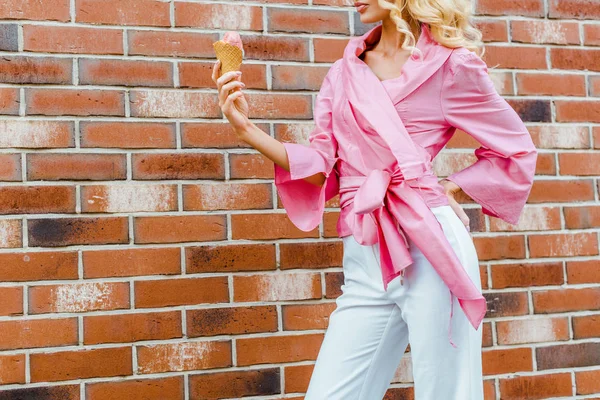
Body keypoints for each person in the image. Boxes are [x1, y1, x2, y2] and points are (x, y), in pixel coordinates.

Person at [212, 0, 537, 398]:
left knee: (447, 392)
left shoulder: (452, 65)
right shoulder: (344, 72)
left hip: (429, 246)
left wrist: (450, 186)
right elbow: (323, 168)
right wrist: (247, 131)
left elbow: (515, 149)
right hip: (365, 253)